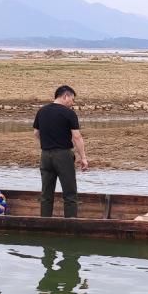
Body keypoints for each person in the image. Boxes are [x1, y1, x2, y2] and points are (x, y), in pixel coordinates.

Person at [32, 85, 89, 217]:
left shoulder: (42, 111)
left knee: (46, 193)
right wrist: (83, 158)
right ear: (65, 96)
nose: (72, 103)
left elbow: (36, 133)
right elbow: (77, 137)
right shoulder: (69, 113)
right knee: (70, 193)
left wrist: (46, 144)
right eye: (72, 99)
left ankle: (45, 222)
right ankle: (70, 223)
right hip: (63, 155)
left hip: (45, 155)